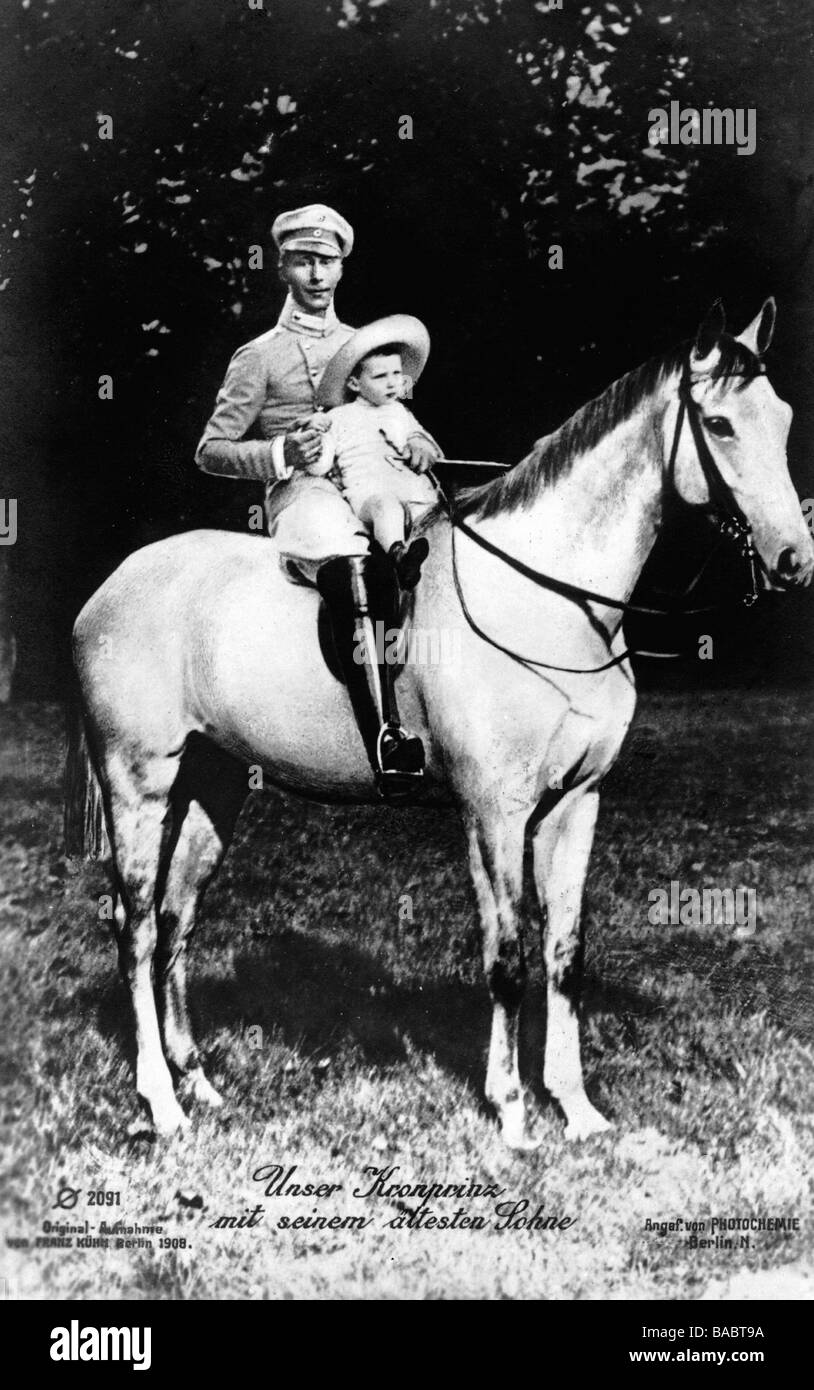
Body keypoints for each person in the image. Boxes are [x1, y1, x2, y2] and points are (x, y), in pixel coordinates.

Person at [195, 204, 436, 799]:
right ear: (283, 269)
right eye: (304, 261)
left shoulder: (364, 345)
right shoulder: (260, 355)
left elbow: (402, 417)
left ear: (342, 267)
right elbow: (211, 449)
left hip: (372, 481)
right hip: (305, 491)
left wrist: (419, 449)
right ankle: (384, 735)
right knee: (350, 557)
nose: (317, 275)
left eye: (326, 261)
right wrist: (281, 454)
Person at [305, 316, 441, 591]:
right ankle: (399, 556)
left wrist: (420, 443)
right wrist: (316, 434)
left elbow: (428, 444)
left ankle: (428, 559)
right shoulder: (339, 417)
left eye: (396, 374)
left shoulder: (400, 412)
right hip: (369, 493)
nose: (392, 383)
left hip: (412, 490)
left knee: (434, 515)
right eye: (380, 376)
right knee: (384, 507)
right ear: (355, 384)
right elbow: (319, 466)